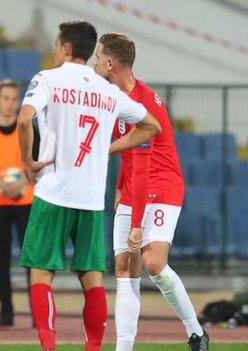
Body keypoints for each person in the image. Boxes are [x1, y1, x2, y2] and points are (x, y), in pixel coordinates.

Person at [17, 20, 161, 351]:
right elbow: (150, 125)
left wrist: (27, 160)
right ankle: (93, 349)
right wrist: (108, 148)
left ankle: (49, 347)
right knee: (92, 279)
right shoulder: (108, 90)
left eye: (56, 44)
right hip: (92, 198)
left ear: (66, 48)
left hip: (53, 191)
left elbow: (24, 118)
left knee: (41, 275)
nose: (54, 50)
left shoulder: (48, 79)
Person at [94, 33, 209, 351]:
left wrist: (135, 224)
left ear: (111, 63)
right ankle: (123, 347)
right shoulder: (115, 97)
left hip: (161, 185)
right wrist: (120, 187)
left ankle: (196, 333)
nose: (94, 62)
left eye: (98, 56)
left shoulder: (142, 105)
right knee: (124, 270)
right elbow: (128, 156)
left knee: (154, 263)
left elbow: (144, 166)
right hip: (133, 187)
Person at [0, 78, 37, 327]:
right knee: (0, 259)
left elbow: (35, 160)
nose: (10, 103)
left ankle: (38, 313)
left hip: (26, 200)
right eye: (5, 98)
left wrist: (21, 184)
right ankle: (6, 313)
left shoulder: (28, 128)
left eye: (14, 98)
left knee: (32, 260)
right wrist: (1, 184)